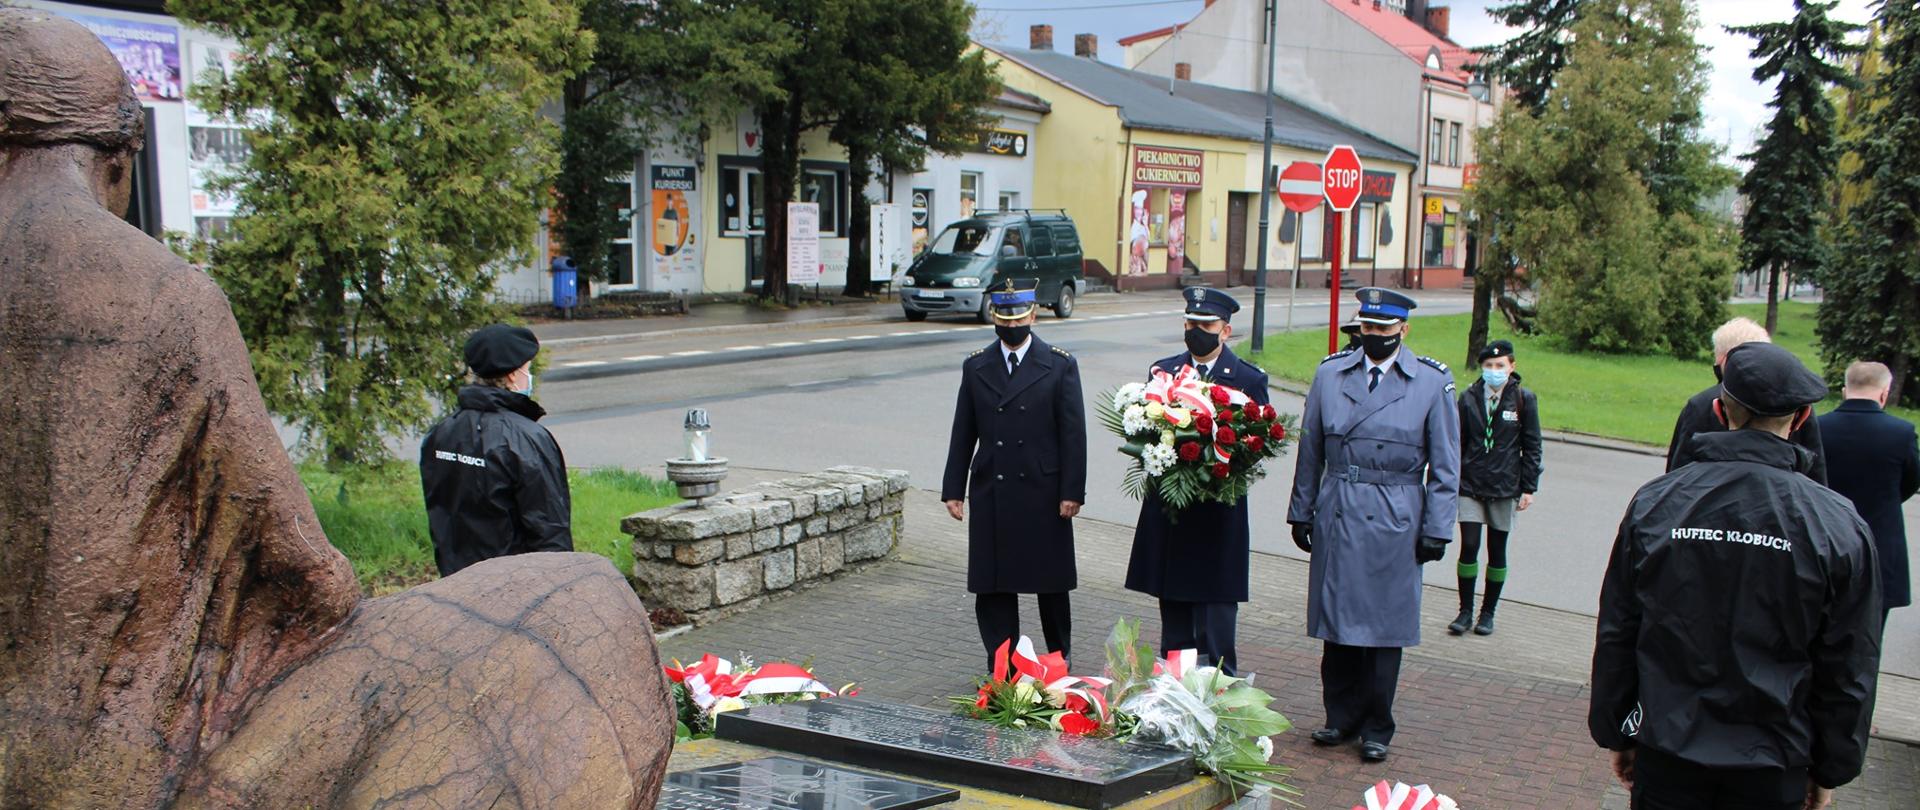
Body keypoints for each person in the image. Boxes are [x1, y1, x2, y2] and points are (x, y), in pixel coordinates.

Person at [1591, 342, 1882, 810]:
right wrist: (1832, 764)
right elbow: (1849, 663)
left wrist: (1616, 729)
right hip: (1772, 761)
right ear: (1802, 419)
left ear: (1719, 411)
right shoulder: (1837, 523)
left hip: (1671, 751)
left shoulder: (1657, 502)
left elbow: (1618, 630)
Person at [1288, 287, 1460, 763]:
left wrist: (1438, 526)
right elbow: (1311, 451)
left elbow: (1447, 464)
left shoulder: (1431, 382)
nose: (1376, 337)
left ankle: (1377, 726)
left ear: (1403, 330)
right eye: (1368, 328)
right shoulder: (1330, 374)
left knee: (1385, 627)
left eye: (1385, 330)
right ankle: (1339, 716)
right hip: (1340, 504)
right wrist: (1301, 509)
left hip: (1397, 513)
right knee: (1337, 620)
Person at [942, 279, 1088, 667]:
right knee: (993, 586)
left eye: (1018, 319)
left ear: (1033, 315)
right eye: (1003, 320)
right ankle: (1002, 664)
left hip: (1044, 490)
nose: (1011, 327)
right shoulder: (976, 366)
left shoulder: (1059, 365)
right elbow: (964, 430)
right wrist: (953, 488)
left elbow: (1073, 434)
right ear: (993, 317)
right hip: (994, 487)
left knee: (1051, 584)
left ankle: (1059, 657)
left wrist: (1072, 491)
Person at [1125, 287, 1270, 674]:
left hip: (1218, 514)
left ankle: (1220, 691)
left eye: (1206, 325)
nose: (1196, 331)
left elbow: (1256, 446)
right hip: (1172, 513)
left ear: (1225, 331)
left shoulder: (1246, 379)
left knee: (1217, 619)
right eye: (1191, 323)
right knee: (1174, 617)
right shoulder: (1164, 372)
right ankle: (1175, 695)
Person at [420, 324, 573, 576]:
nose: (529, 375)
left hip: (457, 585)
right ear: (513, 375)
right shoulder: (527, 439)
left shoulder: (441, 434)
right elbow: (549, 529)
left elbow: (442, 516)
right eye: (527, 369)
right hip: (514, 590)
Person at [1449, 339, 1542, 636]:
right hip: (1470, 483)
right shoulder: (1468, 397)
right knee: (1470, 545)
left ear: (1512, 367)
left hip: (1505, 485)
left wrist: (1529, 487)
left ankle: (1488, 613)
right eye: (1488, 366)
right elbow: (1456, 442)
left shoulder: (1523, 400)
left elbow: (1532, 445)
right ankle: (1465, 611)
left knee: (1497, 550)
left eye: (1500, 366)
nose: (1494, 371)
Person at [1666, 317, 1827, 484]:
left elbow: (1678, 470)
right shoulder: (1794, 404)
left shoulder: (1701, 404)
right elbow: (1816, 470)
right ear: (1799, 418)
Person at [1817, 361, 1919, 624]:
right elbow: (1911, 481)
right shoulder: (1901, 434)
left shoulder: (1819, 428)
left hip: (1826, 540)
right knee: (1869, 636)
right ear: (1884, 394)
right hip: (1880, 544)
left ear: (1844, 391)